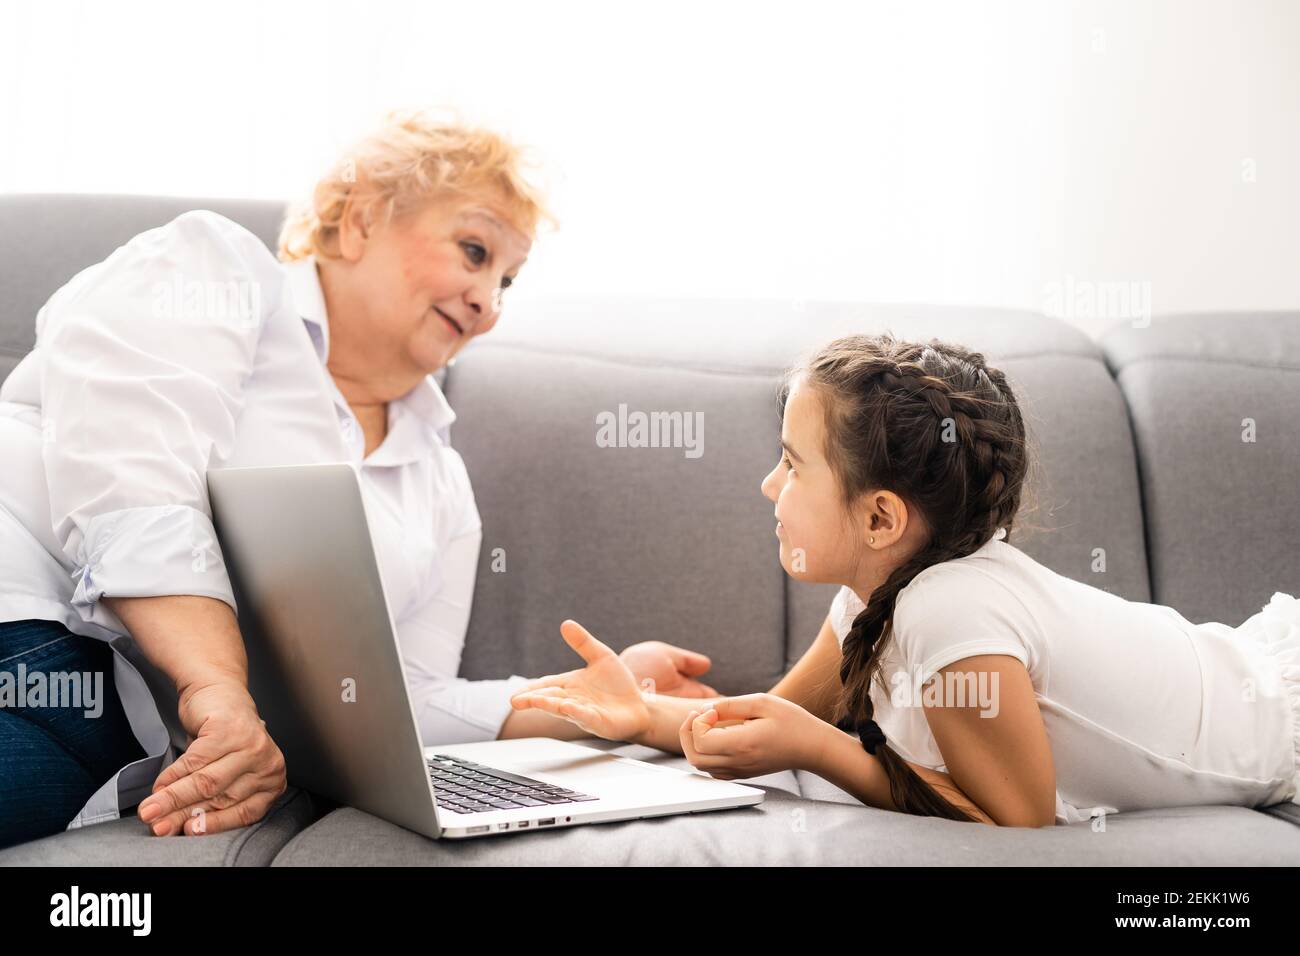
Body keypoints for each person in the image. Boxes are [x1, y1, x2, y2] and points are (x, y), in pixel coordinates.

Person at [0, 109, 714, 850]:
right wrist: (215, 687)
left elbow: (391, 705)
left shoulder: (442, 487)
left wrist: (577, 702)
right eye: (473, 251)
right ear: (360, 216)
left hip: (110, 731)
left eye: (507, 280)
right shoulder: (216, 270)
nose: (488, 301)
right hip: (23, 611)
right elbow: (129, 469)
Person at [510, 333, 1300, 826]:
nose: (767, 486)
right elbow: (775, 719)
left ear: (881, 519)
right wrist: (639, 714)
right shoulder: (872, 595)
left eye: (791, 464)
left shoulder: (948, 612)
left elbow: (1015, 819)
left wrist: (825, 751)